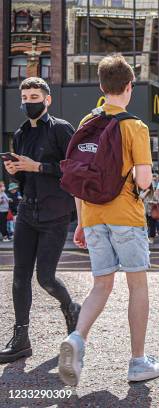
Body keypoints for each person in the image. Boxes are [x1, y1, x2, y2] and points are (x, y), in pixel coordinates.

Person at [59, 54, 159, 386]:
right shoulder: (135, 126)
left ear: (102, 87)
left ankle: (77, 339)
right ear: (130, 86)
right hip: (125, 215)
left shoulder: (86, 123)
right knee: (137, 285)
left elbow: (79, 177)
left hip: (91, 214)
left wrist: (80, 221)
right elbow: (145, 180)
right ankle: (137, 362)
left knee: (101, 285)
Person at [0, 77, 80, 364]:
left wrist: (38, 166)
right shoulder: (20, 133)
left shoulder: (60, 129)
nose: (28, 102)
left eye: (34, 96)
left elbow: (74, 169)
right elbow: (24, 176)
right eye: (25, 97)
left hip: (55, 214)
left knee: (45, 277)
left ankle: (71, 307)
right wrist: (15, 170)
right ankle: (21, 339)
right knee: (19, 277)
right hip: (27, 212)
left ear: (47, 100)